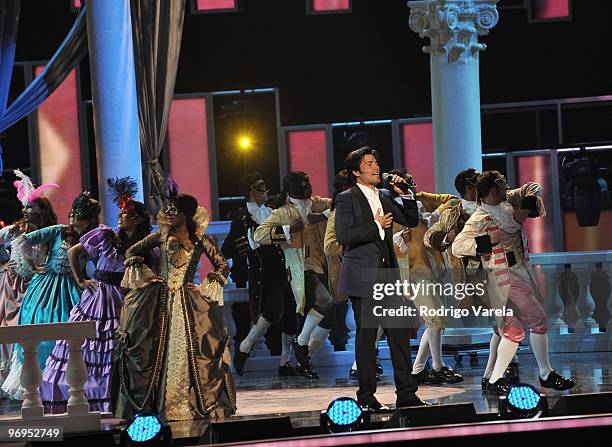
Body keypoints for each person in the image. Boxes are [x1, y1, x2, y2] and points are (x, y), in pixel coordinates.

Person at [112, 184, 235, 421]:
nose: (168, 212)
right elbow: (131, 252)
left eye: (174, 209)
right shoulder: (160, 235)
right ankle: (162, 405)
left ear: (186, 214)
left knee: (194, 350)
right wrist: (147, 274)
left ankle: (187, 404)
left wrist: (208, 283)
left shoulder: (201, 240)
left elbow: (222, 265)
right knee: (156, 349)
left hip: (189, 300)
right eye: (167, 209)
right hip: (161, 299)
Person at [452, 171, 575, 394]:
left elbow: (532, 186)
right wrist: (487, 240)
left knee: (513, 330)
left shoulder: (507, 202)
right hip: (502, 279)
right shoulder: (480, 218)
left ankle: (496, 377)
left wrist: (527, 203)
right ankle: (543, 373)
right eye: (501, 186)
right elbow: (458, 246)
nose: (506, 188)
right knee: (535, 321)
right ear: (492, 190)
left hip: (520, 274)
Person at [40, 177, 152, 413]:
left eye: (127, 214)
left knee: (114, 348)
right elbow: (73, 252)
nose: (121, 217)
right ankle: (81, 396)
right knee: (87, 343)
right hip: (98, 297)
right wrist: (80, 279)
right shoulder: (106, 235)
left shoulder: (145, 246)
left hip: (123, 300)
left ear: (138, 219)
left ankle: (113, 397)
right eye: (120, 213)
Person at [335, 146, 427, 412]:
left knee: (399, 335)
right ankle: (366, 397)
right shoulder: (346, 198)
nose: (376, 167)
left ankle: (407, 394)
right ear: (356, 171)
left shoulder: (386, 195)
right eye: (369, 163)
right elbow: (344, 236)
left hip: (387, 276)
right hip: (362, 277)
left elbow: (411, 220)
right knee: (366, 338)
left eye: (376, 162)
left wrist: (406, 194)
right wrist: (376, 226)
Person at [424, 169, 520, 389]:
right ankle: (491, 375)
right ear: (469, 188)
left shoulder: (494, 207)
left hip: (496, 271)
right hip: (469, 277)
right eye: (479, 182)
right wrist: (447, 237)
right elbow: (431, 237)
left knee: (504, 322)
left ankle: (493, 374)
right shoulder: (452, 212)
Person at [2, 190, 101, 400]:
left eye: (79, 215)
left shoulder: (92, 237)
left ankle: (69, 383)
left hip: (73, 289)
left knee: (73, 335)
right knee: (43, 333)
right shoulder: (58, 230)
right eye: (73, 214)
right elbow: (23, 241)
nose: (73, 218)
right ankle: (42, 382)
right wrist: (31, 266)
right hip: (46, 287)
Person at [385, 169, 463, 386]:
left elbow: (452, 200)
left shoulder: (419, 200)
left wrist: (435, 217)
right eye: (406, 183)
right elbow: (383, 242)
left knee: (437, 321)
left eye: (411, 182)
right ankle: (437, 366)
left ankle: (418, 369)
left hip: (434, 268)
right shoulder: (388, 209)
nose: (411, 186)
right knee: (435, 320)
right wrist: (399, 238)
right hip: (412, 273)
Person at [253, 172, 333, 379]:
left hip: (323, 265)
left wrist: (322, 215)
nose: (308, 186)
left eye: (308, 181)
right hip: (300, 268)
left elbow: (336, 205)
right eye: (303, 183)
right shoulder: (282, 213)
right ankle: (301, 342)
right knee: (324, 301)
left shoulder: (315, 203)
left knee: (328, 313)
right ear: (291, 190)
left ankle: (302, 354)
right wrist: (288, 229)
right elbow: (259, 235)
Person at [226, 173, 297, 377]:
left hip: (283, 267)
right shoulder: (241, 218)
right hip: (262, 272)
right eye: (261, 190)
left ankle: (285, 362)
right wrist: (247, 249)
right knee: (273, 310)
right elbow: (230, 247)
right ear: (252, 192)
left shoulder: (271, 212)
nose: (266, 193)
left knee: (291, 314)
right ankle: (244, 348)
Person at [0, 170, 57, 393]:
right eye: (26, 208)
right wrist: (3, 263)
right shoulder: (16, 230)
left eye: (31, 207)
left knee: (32, 331)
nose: (27, 211)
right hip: (12, 285)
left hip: (37, 286)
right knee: (9, 331)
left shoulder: (49, 233)